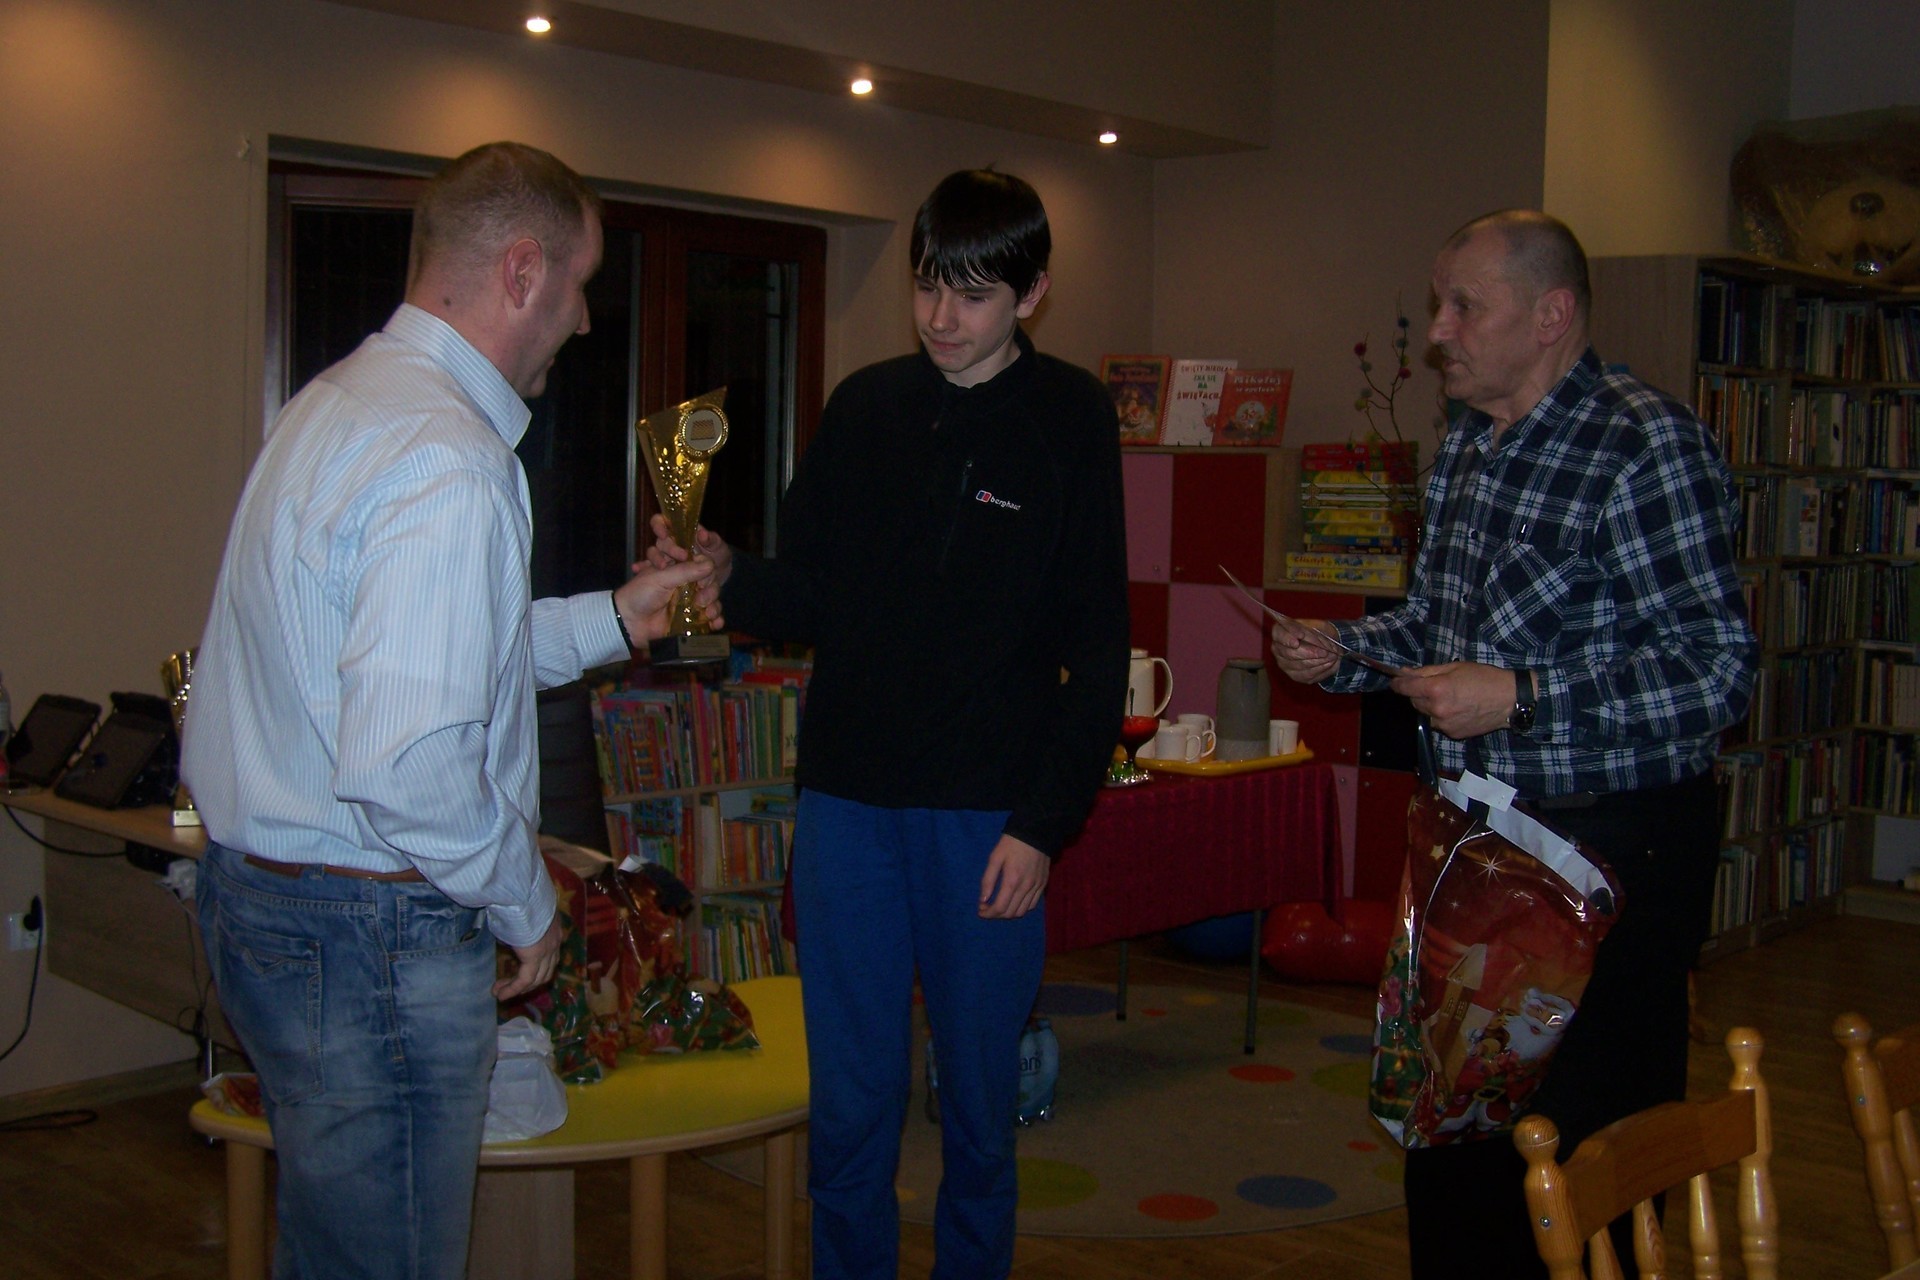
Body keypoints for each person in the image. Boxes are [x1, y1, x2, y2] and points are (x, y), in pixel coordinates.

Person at [183, 141, 718, 1280]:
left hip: (269, 903)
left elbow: (421, 663)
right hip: (368, 933)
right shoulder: (450, 458)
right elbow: (410, 760)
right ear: (522, 271)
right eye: (579, 284)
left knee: (332, 1249)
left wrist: (618, 617)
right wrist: (528, 901)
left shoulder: (338, 402)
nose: (585, 320)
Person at [650, 168, 1129, 1279]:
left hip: (987, 819)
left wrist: (1043, 824)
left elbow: (1100, 646)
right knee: (851, 1103)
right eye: (927, 287)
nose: (941, 318)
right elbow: (813, 595)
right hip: (849, 805)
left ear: (1033, 294)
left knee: (978, 1107)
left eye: (973, 294)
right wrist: (728, 571)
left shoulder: (1069, 417)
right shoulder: (865, 406)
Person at [1270, 210, 1757, 1278]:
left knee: (1588, 1157)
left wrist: (1523, 698)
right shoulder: (1468, 447)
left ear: (1551, 315)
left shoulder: (1644, 446)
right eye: (1439, 304)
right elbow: (1439, 632)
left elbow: (1716, 672)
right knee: (1451, 1140)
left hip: (1604, 856)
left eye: (1464, 306)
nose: (1439, 330)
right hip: (1470, 852)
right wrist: (1344, 651)